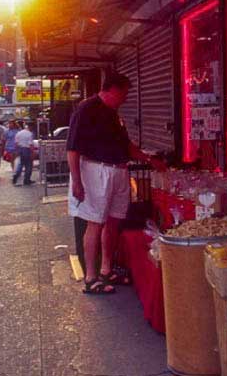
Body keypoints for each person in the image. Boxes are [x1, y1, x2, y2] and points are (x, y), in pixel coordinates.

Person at [67, 72, 166, 294]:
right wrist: (77, 181)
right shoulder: (86, 109)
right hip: (95, 171)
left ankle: (106, 269)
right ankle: (91, 277)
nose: (126, 98)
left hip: (119, 171)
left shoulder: (114, 114)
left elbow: (127, 146)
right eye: (125, 93)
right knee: (95, 223)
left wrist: (149, 160)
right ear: (113, 89)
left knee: (113, 221)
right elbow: (72, 148)